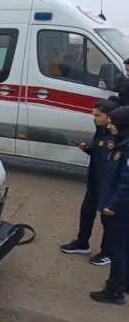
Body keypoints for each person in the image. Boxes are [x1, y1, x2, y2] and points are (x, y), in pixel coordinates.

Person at [61, 98, 120, 266]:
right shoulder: (101, 131)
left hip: (108, 185)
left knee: (107, 220)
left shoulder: (116, 135)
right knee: (86, 211)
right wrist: (88, 149)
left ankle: (108, 252)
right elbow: (100, 155)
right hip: (95, 181)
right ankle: (82, 242)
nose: (94, 118)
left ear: (110, 116)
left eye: (98, 115)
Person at [90, 106, 129, 304]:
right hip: (117, 205)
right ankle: (122, 282)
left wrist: (111, 205)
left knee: (117, 248)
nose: (110, 126)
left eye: (113, 123)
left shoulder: (126, 148)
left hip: (119, 209)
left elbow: (125, 182)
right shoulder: (119, 143)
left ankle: (114, 291)